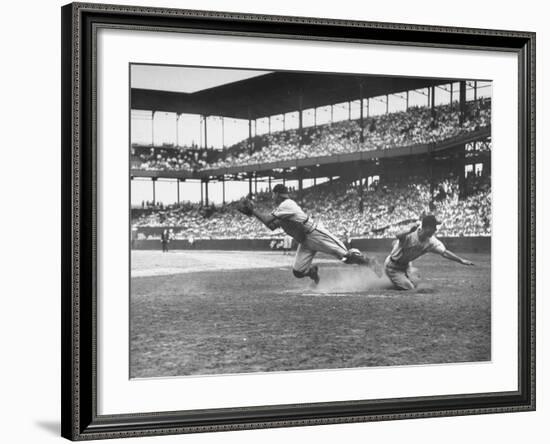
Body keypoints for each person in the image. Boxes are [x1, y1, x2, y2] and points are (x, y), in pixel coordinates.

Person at [240, 184, 380, 284]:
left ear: (277, 194)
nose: (272, 197)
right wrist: (254, 213)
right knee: (298, 272)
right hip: (305, 241)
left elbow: (267, 219)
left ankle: (369, 262)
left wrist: (253, 211)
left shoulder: (287, 204)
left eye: (273, 194)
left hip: (315, 234)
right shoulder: (282, 209)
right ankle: (312, 272)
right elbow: (271, 226)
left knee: (346, 257)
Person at [384, 214, 474, 290]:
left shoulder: (431, 241)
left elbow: (445, 252)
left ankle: (405, 276)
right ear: (427, 227)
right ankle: (392, 280)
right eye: (434, 227)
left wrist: (461, 260)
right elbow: (398, 235)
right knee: (409, 287)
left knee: (416, 281)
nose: (435, 229)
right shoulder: (411, 233)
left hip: (406, 266)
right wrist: (408, 231)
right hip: (392, 267)